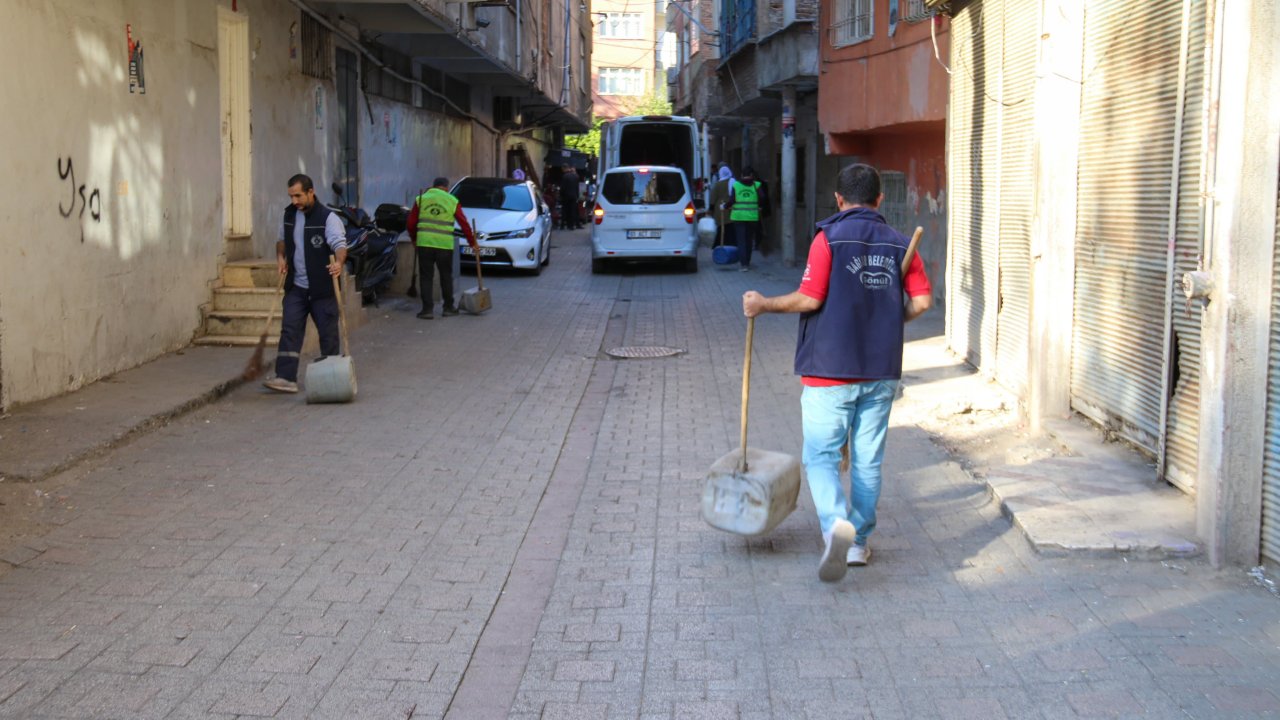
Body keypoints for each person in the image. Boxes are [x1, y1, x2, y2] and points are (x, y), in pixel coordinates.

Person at [741, 163, 933, 583]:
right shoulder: (902, 244)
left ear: (839, 200)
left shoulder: (828, 238)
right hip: (881, 371)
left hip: (830, 370)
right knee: (868, 461)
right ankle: (859, 542)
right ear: (880, 201)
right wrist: (888, 317)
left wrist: (764, 303)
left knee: (821, 457)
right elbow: (921, 303)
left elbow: (810, 299)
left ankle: (834, 527)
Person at [263, 173, 348, 394]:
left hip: (322, 289)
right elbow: (282, 240)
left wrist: (339, 263)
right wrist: (281, 257)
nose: (294, 201)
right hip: (296, 287)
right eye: (291, 196)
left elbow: (339, 245)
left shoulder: (328, 218)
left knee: (328, 334)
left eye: (298, 196)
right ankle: (285, 378)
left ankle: (330, 379)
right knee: (289, 330)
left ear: (311, 192)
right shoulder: (289, 215)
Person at [407, 177, 476, 319]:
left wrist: (414, 238)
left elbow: (411, 223)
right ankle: (448, 308)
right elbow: (463, 223)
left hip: (424, 243)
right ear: (446, 187)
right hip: (444, 245)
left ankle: (427, 310)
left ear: (433, 186)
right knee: (446, 276)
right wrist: (472, 242)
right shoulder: (452, 200)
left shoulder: (421, 199)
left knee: (426, 277)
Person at [724, 167, 763, 271]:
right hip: (752, 217)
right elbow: (763, 198)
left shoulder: (736, 185)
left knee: (741, 241)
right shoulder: (756, 185)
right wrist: (759, 206)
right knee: (749, 240)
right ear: (752, 175)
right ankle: (748, 262)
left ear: (741, 175)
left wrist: (725, 206)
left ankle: (743, 264)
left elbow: (732, 200)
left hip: (738, 216)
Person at [709, 164, 734, 246]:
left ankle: (720, 244)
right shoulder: (733, 182)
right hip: (731, 208)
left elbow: (713, 197)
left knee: (721, 228)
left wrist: (711, 208)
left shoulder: (718, 184)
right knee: (730, 228)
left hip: (721, 209)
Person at [559, 164, 581, 230]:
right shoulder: (576, 176)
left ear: (564, 168)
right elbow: (577, 187)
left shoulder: (565, 176)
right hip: (574, 196)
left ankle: (562, 225)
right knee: (572, 211)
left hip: (566, 196)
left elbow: (563, 187)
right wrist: (577, 196)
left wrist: (561, 195)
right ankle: (571, 226)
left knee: (565, 211)